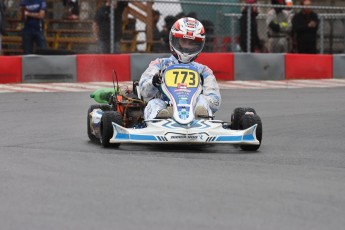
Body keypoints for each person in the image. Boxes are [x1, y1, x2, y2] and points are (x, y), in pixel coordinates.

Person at [139, 17, 221, 120]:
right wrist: (154, 82)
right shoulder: (160, 64)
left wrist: (200, 98)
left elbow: (215, 101)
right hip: (165, 109)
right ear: (175, 40)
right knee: (155, 103)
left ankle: (201, 117)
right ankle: (160, 119)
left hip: (193, 114)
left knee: (202, 100)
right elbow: (144, 91)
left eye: (192, 43)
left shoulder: (204, 71)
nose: (187, 46)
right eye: (184, 41)